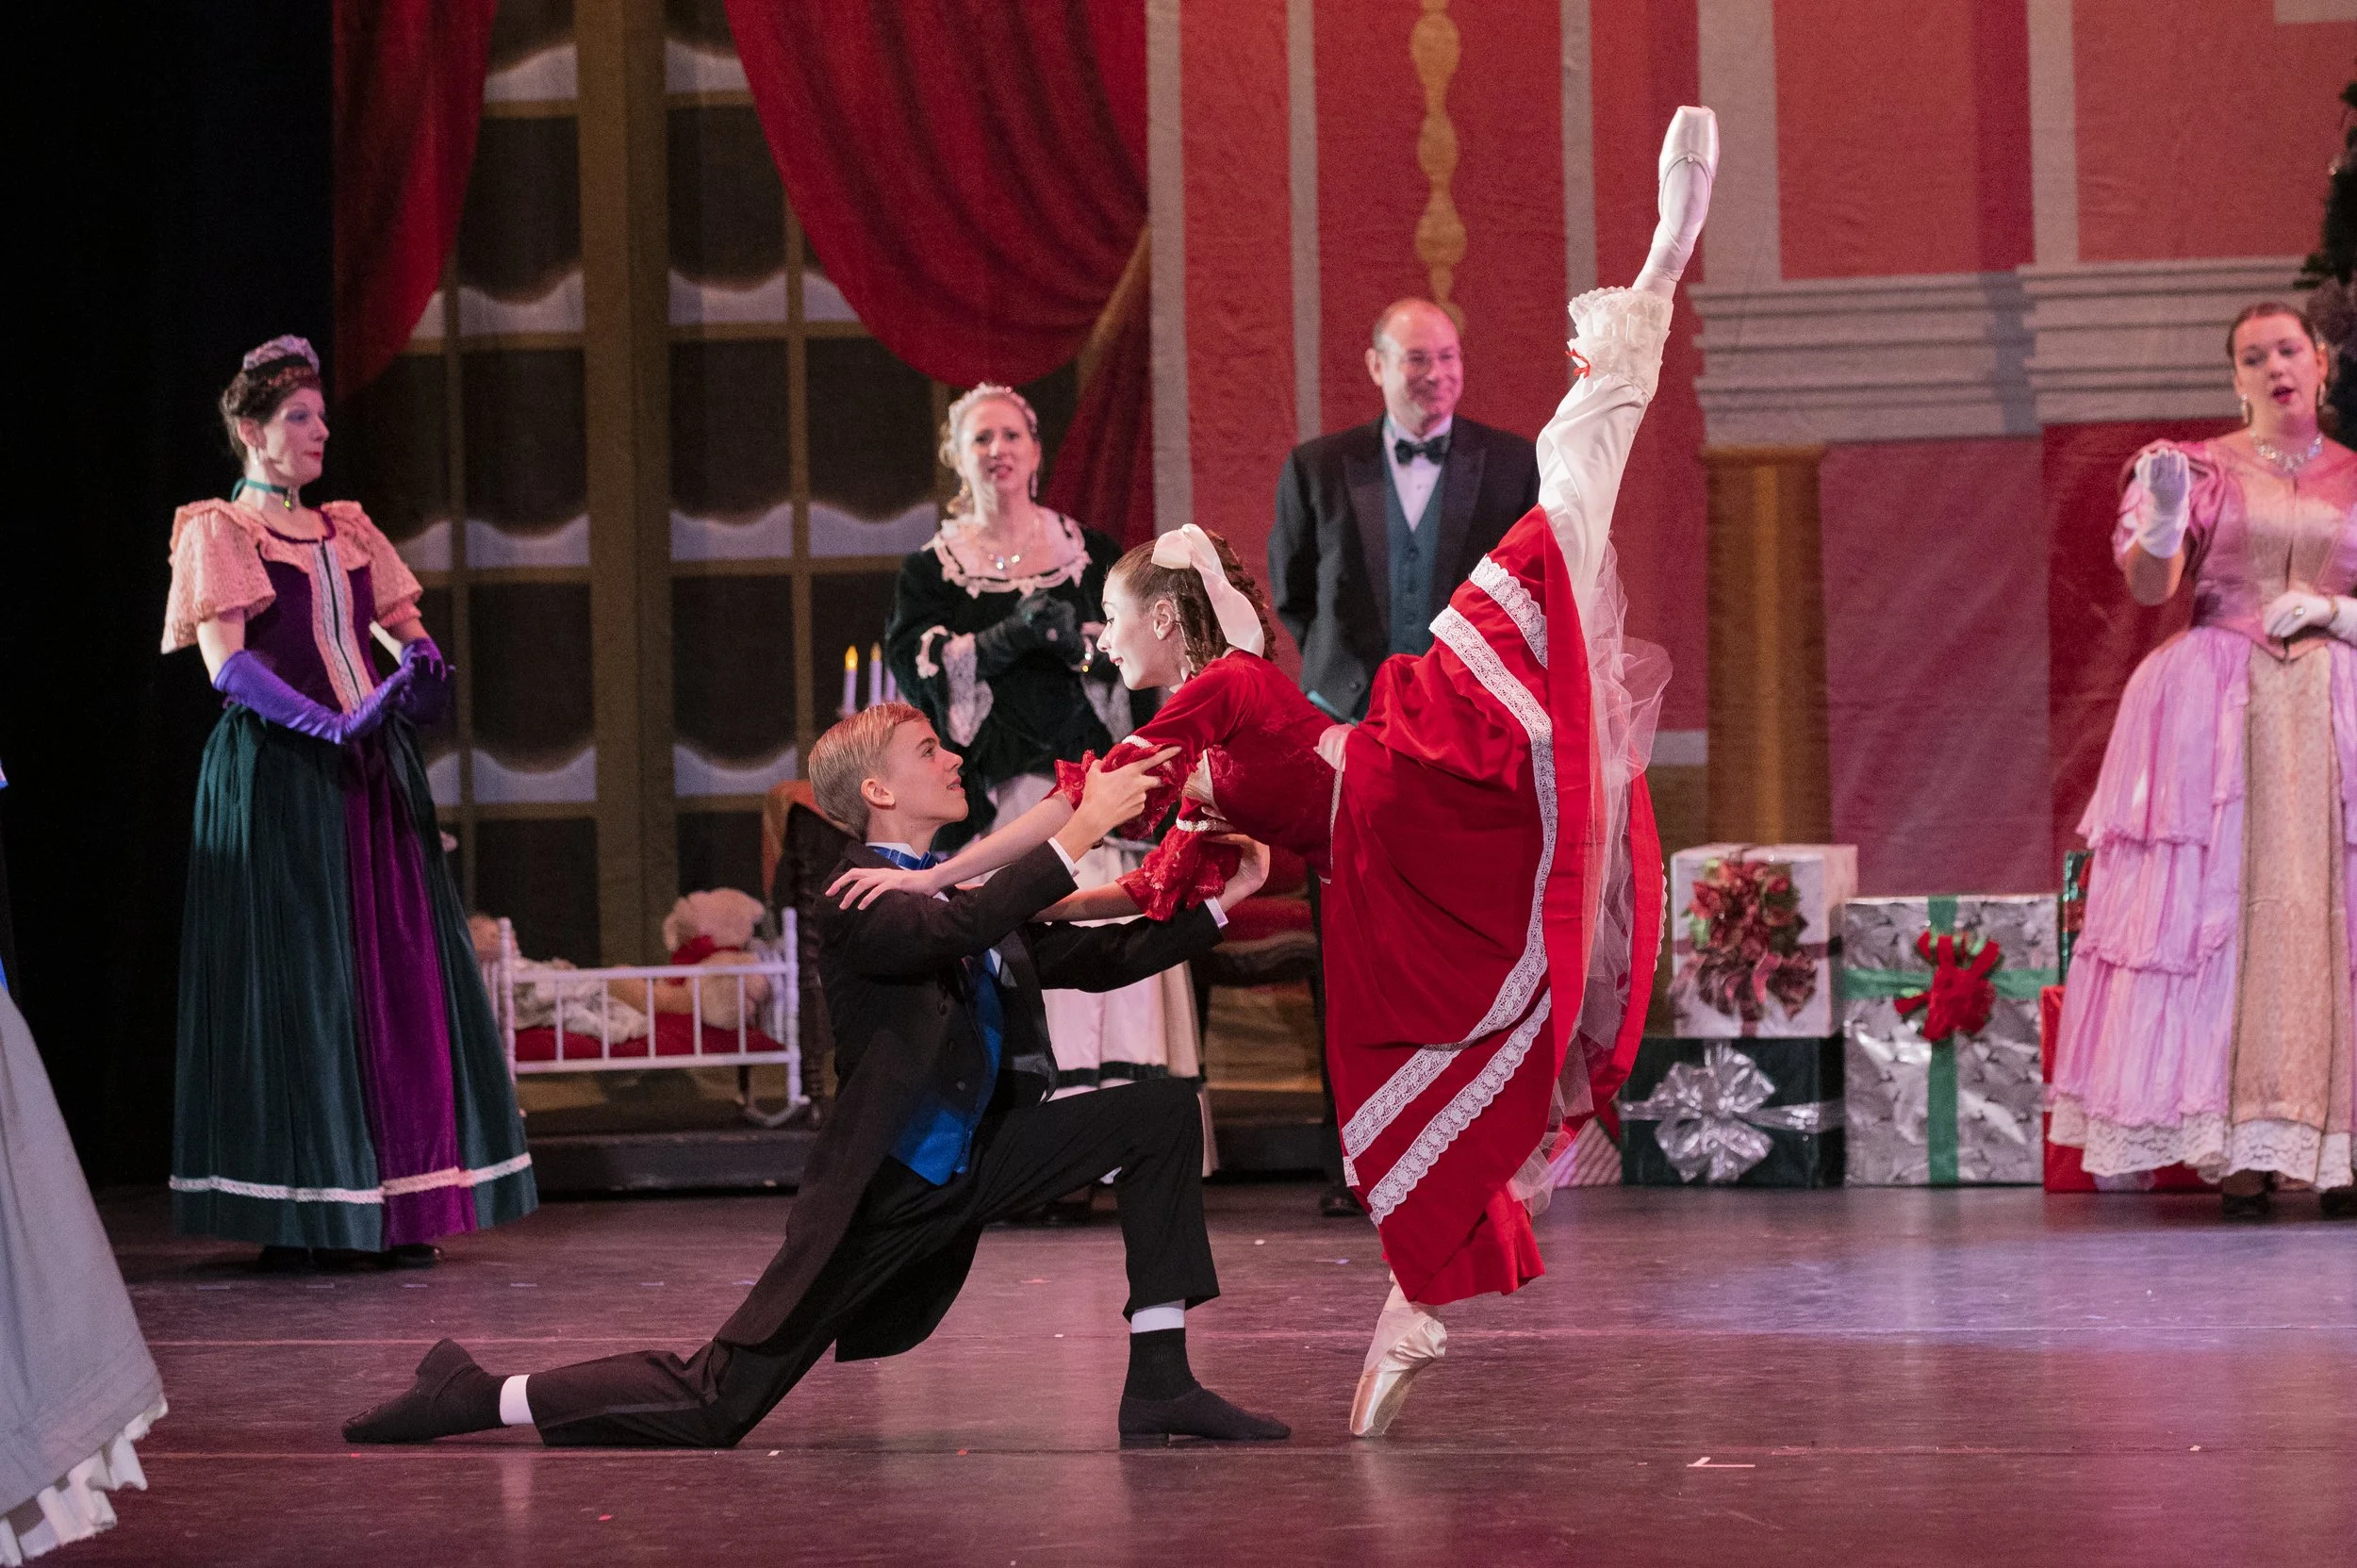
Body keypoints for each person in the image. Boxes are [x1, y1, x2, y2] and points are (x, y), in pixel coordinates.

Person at [838, 105, 1711, 1439]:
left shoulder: (1211, 692)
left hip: (1410, 771)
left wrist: (925, 879)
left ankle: (1658, 265)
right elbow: (1129, 886)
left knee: (1556, 525)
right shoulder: (1194, 729)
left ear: (1160, 621)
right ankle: (1413, 1300)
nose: (1102, 642)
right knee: (1387, 1115)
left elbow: (1074, 820)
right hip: (1374, 875)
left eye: (1116, 624)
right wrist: (985, 909)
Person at [341, 703, 1289, 1449]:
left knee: (1159, 1112)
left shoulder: (943, 881)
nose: (954, 757)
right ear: (876, 787)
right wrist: (1078, 825)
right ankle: (476, 1393)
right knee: (716, 1402)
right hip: (887, 1189)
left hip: (979, 1155)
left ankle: (1161, 1379)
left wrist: (1219, 909)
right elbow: (957, 928)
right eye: (929, 750)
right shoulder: (855, 891)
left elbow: (1089, 955)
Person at [163, 337, 535, 1269]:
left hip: (370, 770)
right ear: (252, 431)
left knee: (391, 978)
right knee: (303, 981)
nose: (319, 429)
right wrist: (328, 727)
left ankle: (396, 1205)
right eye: (298, 416)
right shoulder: (222, 529)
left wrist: (422, 676)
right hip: (281, 774)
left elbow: (407, 638)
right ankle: (306, 1211)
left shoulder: (348, 529)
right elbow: (230, 665)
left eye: (322, 415)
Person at [2052, 301, 2357, 1220]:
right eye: (2252, 354)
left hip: (2334, 708)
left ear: (2321, 364)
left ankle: (2336, 1142)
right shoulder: (2203, 469)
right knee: (2223, 913)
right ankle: (2235, 1144)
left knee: (2328, 912)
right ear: (2234, 377)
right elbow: (2153, 584)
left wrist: (2340, 616)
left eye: (2287, 349)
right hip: (2224, 709)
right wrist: (2165, 517)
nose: (2273, 365)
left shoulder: (2353, 475)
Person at [1269, 295, 1542, 1214]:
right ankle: (1355, 1160)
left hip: (1464, 749)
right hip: (1350, 747)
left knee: (1460, 954)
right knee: (1349, 955)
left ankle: (1459, 1157)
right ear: (1374, 365)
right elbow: (1295, 597)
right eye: (1417, 361)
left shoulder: (1511, 465)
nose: (1436, 377)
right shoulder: (1316, 467)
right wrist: (1350, 693)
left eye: (1449, 359)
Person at [887, 386, 1200, 1187]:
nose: (998, 449)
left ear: (1035, 447)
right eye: (980, 437)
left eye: (1011, 434)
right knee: (1019, 951)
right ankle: (1036, 1159)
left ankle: (1126, 1150)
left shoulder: (1087, 549)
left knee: (1103, 947)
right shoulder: (932, 569)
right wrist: (1003, 637)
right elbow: (919, 670)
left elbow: (1141, 648)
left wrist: (1084, 646)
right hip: (997, 800)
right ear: (958, 455)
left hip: (1089, 784)